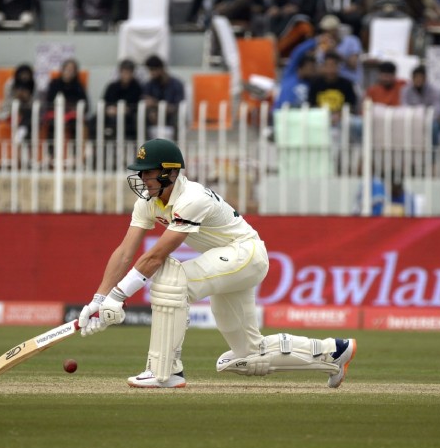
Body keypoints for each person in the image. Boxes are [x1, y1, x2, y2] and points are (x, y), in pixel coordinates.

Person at [77, 138, 357, 388]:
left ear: (170, 172)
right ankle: (332, 351)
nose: (142, 178)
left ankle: (164, 372)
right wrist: (99, 298)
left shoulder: (192, 199)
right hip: (228, 263)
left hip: (244, 255)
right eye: (141, 172)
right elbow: (125, 251)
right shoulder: (149, 202)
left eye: (148, 172)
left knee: (173, 280)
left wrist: (118, 297)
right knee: (247, 354)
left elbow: (155, 256)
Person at [44, 58, 88, 142]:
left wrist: (73, 108)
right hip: (55, 112)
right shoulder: (54, 83)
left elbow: (85, 104)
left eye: (72, 70)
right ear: (62, 70)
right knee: (53, 123)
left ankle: (75, 150)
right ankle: (52, 150)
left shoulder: (78, 86)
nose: (69, 72)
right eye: (67, 69)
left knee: (75, 123)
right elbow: (49, 101)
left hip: (72, 114)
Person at [142, 55, 185, 139]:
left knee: (177, 118)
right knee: (141, 117)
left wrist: (156, 105)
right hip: (154, 116)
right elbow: (146, 101)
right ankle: (145, 148)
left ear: (161, 69)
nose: (151, 73)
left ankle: (175, 148)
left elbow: (177, 107)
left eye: (153, 70)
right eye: (150, 70)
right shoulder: (149, 85)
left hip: (171, 116)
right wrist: (152, 112)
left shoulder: (176, 84)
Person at [101, 59, 143, 141]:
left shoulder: (137, 88)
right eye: (124, 72)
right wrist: (109, 109)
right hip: (111, 114)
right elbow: (104, 102)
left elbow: (139, 104)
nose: (126, 75)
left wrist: (128, 109)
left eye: (129, 72)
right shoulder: (112, 86)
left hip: (129, 116)